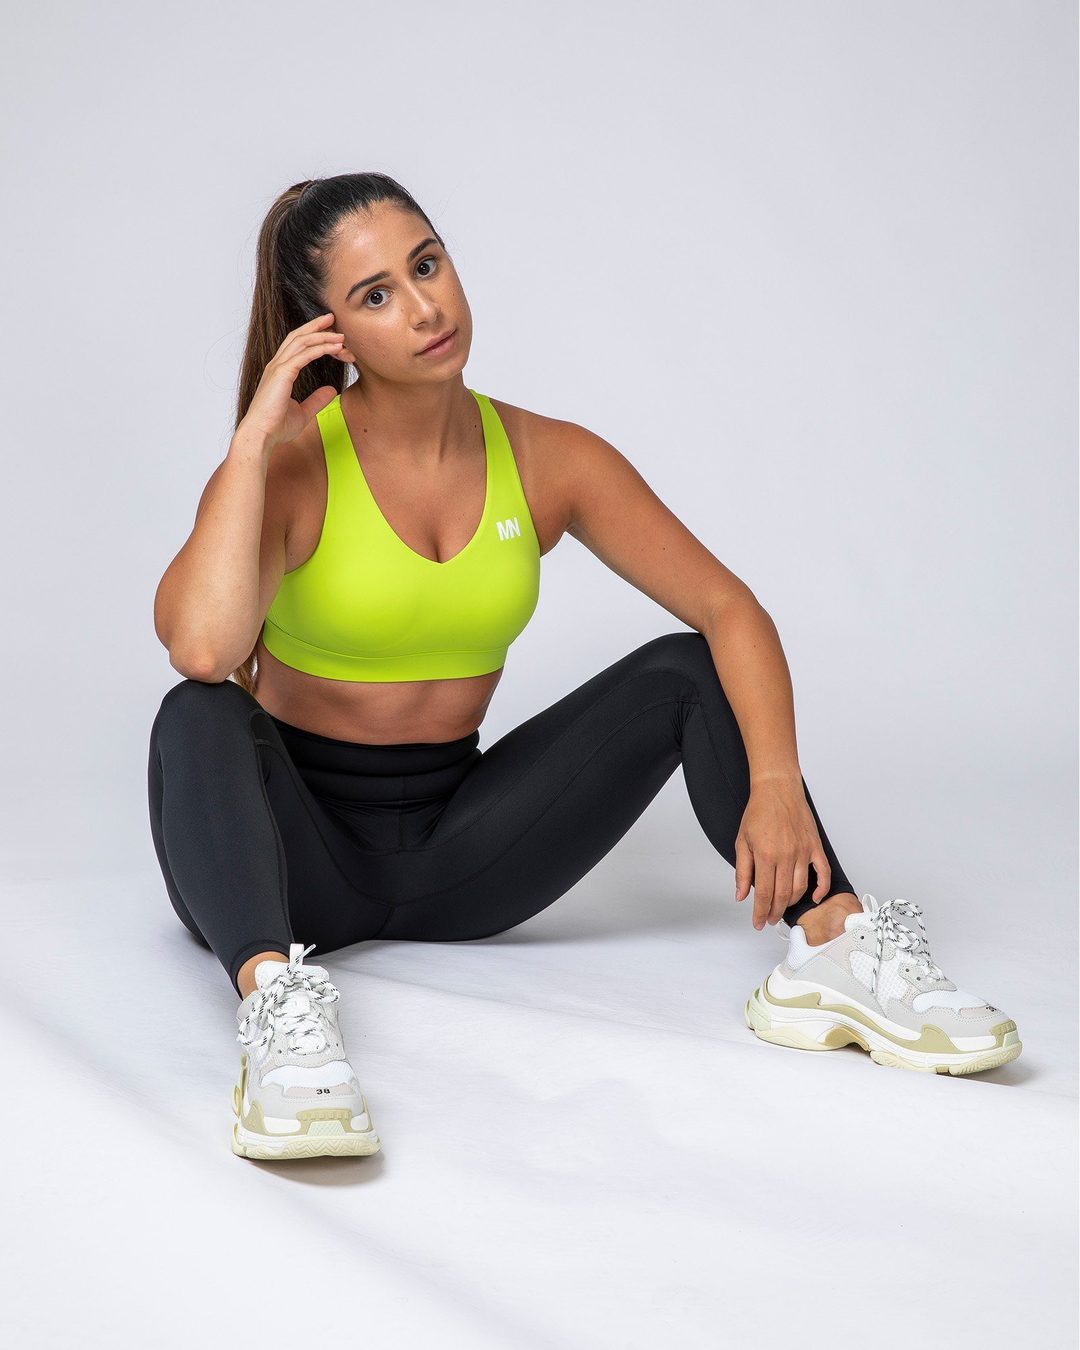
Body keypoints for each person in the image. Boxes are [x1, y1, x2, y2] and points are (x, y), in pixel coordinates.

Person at [147, 172, 1021, 1163]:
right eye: (376, 294)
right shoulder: (294, 465)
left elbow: (730, 610)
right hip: (287, 864)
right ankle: (280, 1019)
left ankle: (834, 946)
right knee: (196, 712)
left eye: (427, 265)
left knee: (686, 670)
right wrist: (255, 443)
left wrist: (777, 782)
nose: (425, 307)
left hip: (462, 856)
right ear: (328, 332)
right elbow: (202, 648)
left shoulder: (546, 458)